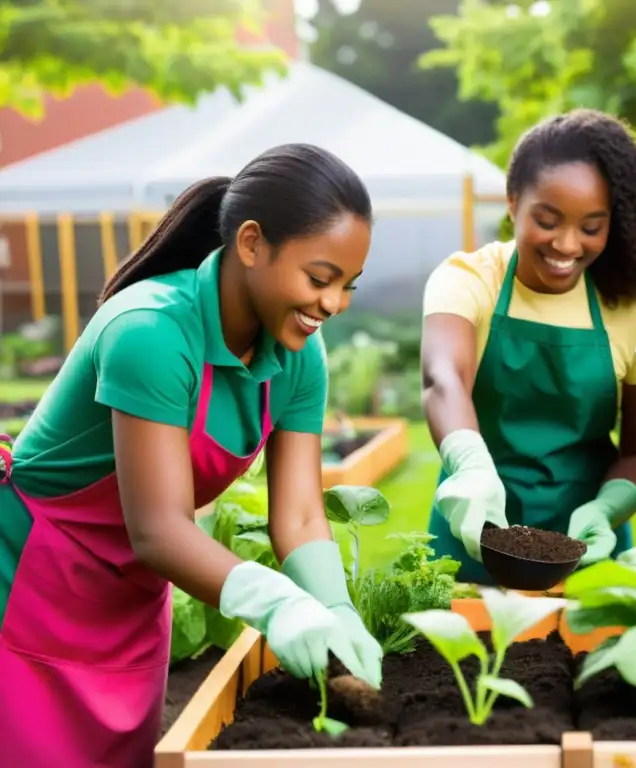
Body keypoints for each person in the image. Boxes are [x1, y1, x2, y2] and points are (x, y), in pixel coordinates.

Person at [0, 143, 384, 767]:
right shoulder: (151, 331)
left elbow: (302, 517)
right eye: (319, 278)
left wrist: (334, 607)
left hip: (132, 593)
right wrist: (277, 601)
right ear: (253, 244)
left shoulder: (298, 356)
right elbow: (157, 528)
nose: (333, 304)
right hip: (34, 584)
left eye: (348, 286)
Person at [420, 109, 636, 583]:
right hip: (469, 538)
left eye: (591, 226)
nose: (567, 244)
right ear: (513, 201)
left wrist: (607, 509)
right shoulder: (470, 278)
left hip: (589, 556)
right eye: (548, 219)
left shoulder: (633, 305)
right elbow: (443, 379)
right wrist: (471, 468)